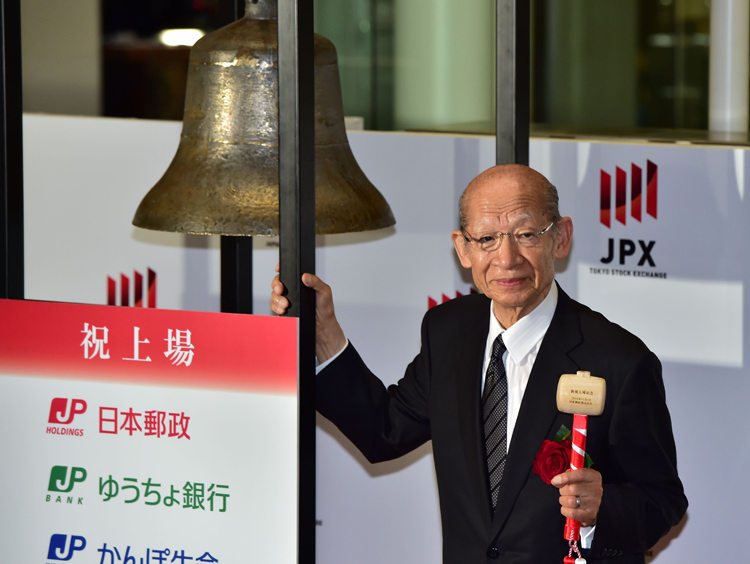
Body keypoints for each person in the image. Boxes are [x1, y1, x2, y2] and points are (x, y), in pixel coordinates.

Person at [271, 165, 687, 564]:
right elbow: (385, 431)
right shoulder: (448, 331)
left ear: (560, 238)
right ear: (463, 249)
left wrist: (600, 510)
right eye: (487, 239)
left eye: (526, 234)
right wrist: (325, 336)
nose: (507, 258)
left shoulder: (619, 360)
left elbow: (663, 501)